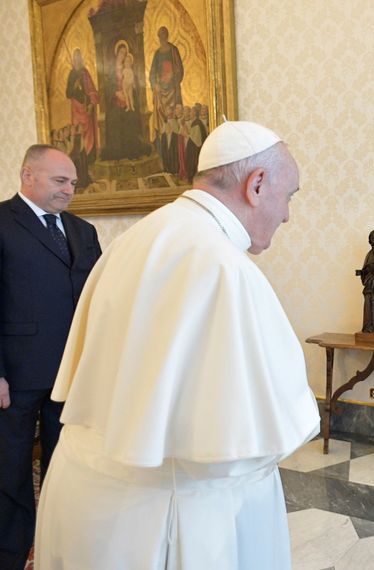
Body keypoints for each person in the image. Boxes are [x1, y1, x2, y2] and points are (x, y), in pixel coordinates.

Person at [34, 121, 320, 569]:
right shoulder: (224, 266)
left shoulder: (133, 239)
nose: (287, 215)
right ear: (257, 184)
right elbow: (259, 437)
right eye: (289, 196)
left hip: (85, 496)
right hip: (172, 514)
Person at [0, 145, 101, 570]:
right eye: (60, 181)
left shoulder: (83, 230)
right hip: (17, 374)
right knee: (11, 471)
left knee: (67, 466)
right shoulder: (3, 222)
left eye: (73, 183)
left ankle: (60, 546)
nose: (69, 190)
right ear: (28, 175)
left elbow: (98, 298)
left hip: (71, 374)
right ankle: (11, 552)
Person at [64, 49, 99, 182]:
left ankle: (90, 164)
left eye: (79, 58)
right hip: (77, 110)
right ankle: (80, 169)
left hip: (86, 109)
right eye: (75, 58)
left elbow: (92, 90)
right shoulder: (72, 74)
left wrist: (91, 104)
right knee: (79, 136)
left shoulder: (85, 73)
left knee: (88, 136)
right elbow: (68, 93)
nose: (77, 61)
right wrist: (74, 86)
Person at [149, 26, 184, 135]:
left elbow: (179, 68)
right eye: (160, 36)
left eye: (163, 35)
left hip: (172, 88)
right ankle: (162, 136)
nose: (162, 38)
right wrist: (155, 84)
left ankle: (174, 136)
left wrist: (172, 76)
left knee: (174, 112)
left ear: (167, 36)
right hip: (161, 90)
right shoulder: (157, 53)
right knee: (160, 111)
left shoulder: (173, 50)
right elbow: (152, 72)